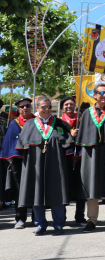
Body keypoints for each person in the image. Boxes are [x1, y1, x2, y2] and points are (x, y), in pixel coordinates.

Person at [16, 97, 73, 235]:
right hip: (35, 165)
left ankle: (59, 224)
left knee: (57, 194)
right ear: (37, 108)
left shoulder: (59, 124)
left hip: (56, 164)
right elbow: (21, 146)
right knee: (37, 194)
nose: (47, 110)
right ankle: (41, 224)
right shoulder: (29, 124)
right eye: (43, 107)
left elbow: (67, 143)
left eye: (49, 107)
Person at [76, 83, 105, 233]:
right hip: (92, 153)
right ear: (95, 95)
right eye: (101, 92)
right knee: (92, 186)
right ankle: (91, 220)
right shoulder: (87, 112)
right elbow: (83, 134)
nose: (104, 95)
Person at [0, 97, 34, 229]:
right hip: (18, 161)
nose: (25, 108)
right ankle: (20, 218)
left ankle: (37, 217)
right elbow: (8, 143)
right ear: (18, 109)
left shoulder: (37, 122)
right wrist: (11, 159)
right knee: (20, 190)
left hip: (35, 160)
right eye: (22, 106)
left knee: (36, 188)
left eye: (27, 106)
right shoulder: (14, 124)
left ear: (31, 107)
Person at [59, 96, 87, 225]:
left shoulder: (82, 120)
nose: (69, 106)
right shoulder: (58, 122)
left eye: (71, 104)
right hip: (64, 158)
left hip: (80, 157)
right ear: (62, 107)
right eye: (66, 105)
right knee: (64, 188)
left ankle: (80, 216)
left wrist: (79, 154)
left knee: (81, 189)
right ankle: (62, 217)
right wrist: (71, 135)